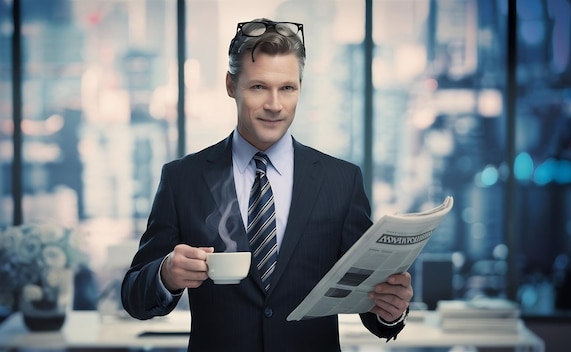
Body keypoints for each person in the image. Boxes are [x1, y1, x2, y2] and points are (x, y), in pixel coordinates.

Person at [121, 18, 413, 352]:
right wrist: (165, 274)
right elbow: (134, 296)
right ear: (231, 85)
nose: (274, 105)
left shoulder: (341, 181)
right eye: (258, 87)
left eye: (287, 88)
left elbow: (369, 299)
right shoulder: (182, 179)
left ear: (300, 87)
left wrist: (391, 309)